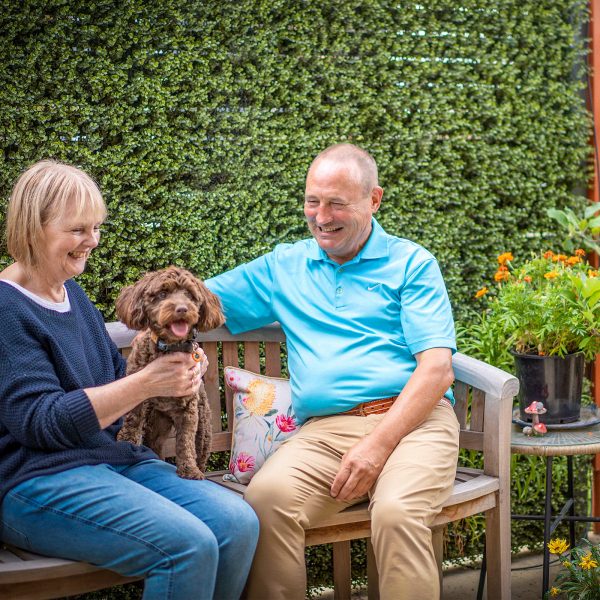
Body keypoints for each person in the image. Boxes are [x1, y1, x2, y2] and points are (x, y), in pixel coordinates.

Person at [206, 143, 460, 600]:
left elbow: (437, 370)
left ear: (374, 200)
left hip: (414, 423)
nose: (321, 217)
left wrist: (376, 447)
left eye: (337, 203)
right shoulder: (285, 266)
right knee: (266, 501)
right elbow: (198, 299)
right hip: (326, 431)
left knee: (397, 512)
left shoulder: (411, 264)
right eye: (312, 201)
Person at [0, 160, 258, 600]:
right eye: (78, 229)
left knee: (238, 523)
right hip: (33, 482)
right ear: (33, 228)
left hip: (110, 460)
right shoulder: (8, 309)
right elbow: (39, 423)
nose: (92, 242)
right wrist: (145, 384)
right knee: (186, 546)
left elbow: (111, 383)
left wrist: (176, 377)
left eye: (96, 228)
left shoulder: (70, 294)